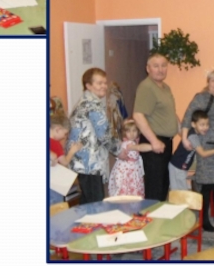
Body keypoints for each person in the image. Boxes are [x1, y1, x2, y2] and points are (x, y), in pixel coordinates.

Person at [180, 69, 214, 231]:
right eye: (213, 80)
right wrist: (184, 138)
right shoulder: (202, 98)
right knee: (206, 185)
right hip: (208, 148)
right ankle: (204, 219)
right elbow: (188, 117)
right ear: (208, 83)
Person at [67, 68, 119, 204]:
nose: (104, 86)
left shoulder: (84, 101)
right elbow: (104, 135)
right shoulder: (92, 104)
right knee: (95, 204)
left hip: (82, 161)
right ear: (88, 86)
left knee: (87, 202)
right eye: (99, 83)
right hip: (89, 163)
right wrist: (120, 150)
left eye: (105, 83)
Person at [133, 53, 180, 201]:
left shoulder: (165, 87)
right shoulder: (147, 87)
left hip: (166, 143)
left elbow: (171, 113)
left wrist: (182, 133)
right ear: (148, 69)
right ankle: (150, 215)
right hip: (155, 144)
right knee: (155, 189)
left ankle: (159, 215)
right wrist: (154, 141)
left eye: (163, 65)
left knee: (163, 186)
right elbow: (138, 115)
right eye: (156, 66)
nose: (160, 69)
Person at [169, 110, 214, 192]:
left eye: (207, 124)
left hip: (181, 167)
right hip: (177, 167)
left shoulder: (194, 133)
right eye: (202, 125)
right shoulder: (193, 136)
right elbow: (203, 153)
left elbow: (180, 129)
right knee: (180, 193)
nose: (205, 127)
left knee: (181, 192)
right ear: (193, 124)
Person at [108, 119, 152, 198]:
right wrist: (152, 147)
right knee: (127, 189)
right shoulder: (129, 144)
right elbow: (139, 148)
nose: (132, 134)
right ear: (124, 133)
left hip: (133, 171)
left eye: (134, 130)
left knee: (131, 189)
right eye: (128, 131)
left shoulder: (133, 142)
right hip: (126, 173)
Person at [49, 113, 81, 205]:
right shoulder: (55, 144)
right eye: (65, 134)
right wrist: (72, 151)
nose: (64, 137)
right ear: (58, 129)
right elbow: (64, 162)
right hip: (55, 183)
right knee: (57, 206)